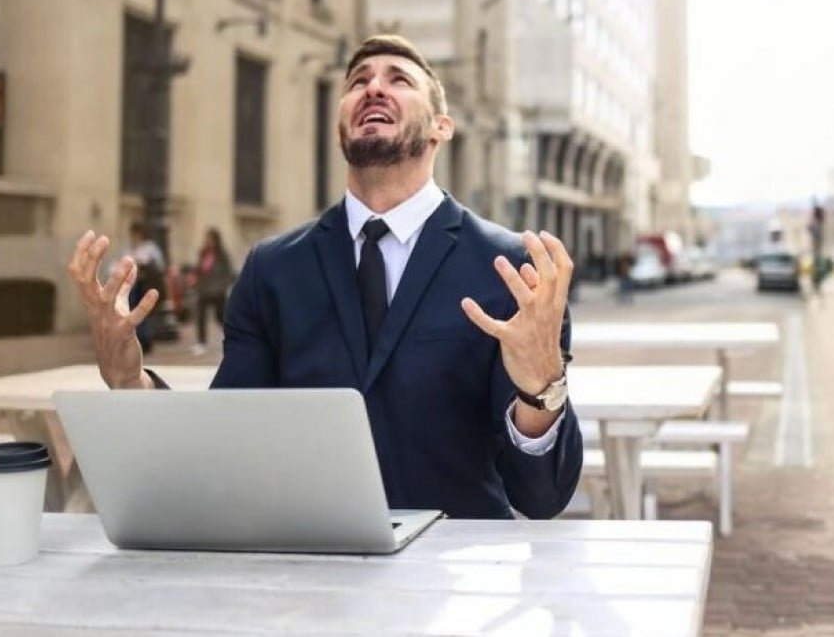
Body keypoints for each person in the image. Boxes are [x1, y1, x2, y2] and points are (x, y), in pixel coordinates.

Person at [66, 34, 583, 520]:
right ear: (340, 126)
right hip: (309, 569)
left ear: (440, 128)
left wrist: (542, 387)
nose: (373, 86)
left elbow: (540, 496)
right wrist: (129, 381)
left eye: (398, 79)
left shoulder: (512, 271)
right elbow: (224, 441)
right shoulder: (272, 269)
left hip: (452, 579)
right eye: (358, 81)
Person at [191, 227, 235, 354]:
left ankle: (231, 339)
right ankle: (201, 342)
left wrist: (223, 286)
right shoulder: (203, 253)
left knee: (221, 317)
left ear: (216, 240)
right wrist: (195, 282)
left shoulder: (222, 254)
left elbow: (229, 273)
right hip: (203, 290)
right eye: (207, 238)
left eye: (210, 238)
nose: (208, 241)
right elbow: (198, 269)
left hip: (217, 291)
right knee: (200, 317)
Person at [126, 222, 165, 354]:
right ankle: (135, 339)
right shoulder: (129, 248)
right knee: (132, 310)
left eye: (136, 234)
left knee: (145, 311)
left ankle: (145, 339)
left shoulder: (150, 248)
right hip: (133, 286)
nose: (134, 237)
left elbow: (158, 265)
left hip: (145, 284)